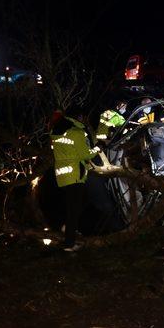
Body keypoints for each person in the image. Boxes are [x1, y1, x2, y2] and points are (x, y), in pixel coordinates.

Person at [49, 108, 100, 252]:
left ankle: (67, 230)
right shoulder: (76, 132)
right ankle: (69, 244)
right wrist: (97, 148)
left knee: (73, 206)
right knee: (74, 209)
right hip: (75, 175)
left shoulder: (55, 131)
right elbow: (86, 154)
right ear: (79, 117)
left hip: (62, 175)